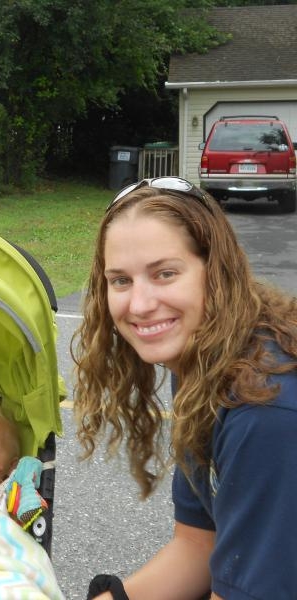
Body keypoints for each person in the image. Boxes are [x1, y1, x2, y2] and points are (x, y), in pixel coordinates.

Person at [72, 177, 297, 599]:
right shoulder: (202, 358)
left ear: (217, 271)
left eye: (165, 273)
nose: (139, 304)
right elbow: (198, 544)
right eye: (121, 280)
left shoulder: (266, 408)